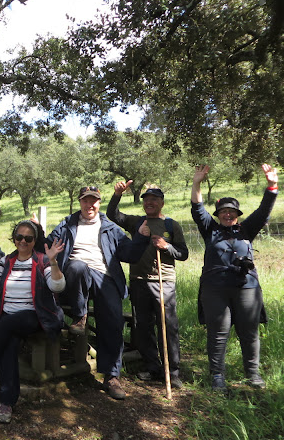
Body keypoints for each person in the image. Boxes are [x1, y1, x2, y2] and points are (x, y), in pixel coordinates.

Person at [46, 185, 150, 400]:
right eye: (85, 200)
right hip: (75, 278)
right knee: (77, 266)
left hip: (105, 276)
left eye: (93, 200)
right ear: (80, 202)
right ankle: (80, 315)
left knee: (113, 319)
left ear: (99, 203)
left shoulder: (110, 228)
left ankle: (111, 375)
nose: (89, 205)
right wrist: (37, 233)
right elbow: (46, 247)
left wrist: (141, 237)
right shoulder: (66, 225)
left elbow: (129, 255)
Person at [0, 221, 65, 423]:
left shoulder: (42, 260)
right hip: (9, 317)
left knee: (3, 326)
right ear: (14, 239)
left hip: (34, 315)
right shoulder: (7, 260)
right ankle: (6, 402)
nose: (23, 241)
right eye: (19, 237)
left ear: (34, 241)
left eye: (28, 238)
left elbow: (58, 286)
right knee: (8, 343)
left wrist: (53, 262)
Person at [191, 164, 278, 392]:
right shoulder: (210, 229)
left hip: (247, 287)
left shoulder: (247, 229)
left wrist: (272, 185)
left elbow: (264, 211)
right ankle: (217, 376)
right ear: (218, 215)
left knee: (249, 333)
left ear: (237, 215)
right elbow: (197, 208)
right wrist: (197, 183)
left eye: (232, 212)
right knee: (218, 334)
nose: (227, 214)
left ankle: (253, 374)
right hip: (215, 289)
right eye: (223, 212)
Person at [106, 182, 189, 389]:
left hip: (163, 281)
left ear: (162, 203)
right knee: (143, 327)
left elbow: (183, 254)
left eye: (154, 199)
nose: (149, 203)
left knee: (167, 327)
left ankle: (172, 371)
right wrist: (117, 195)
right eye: (146, 200)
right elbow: (113, 215)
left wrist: (166, 246)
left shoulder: (171, 225)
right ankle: (153, 367)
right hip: (139, 281)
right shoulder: (136, 222)